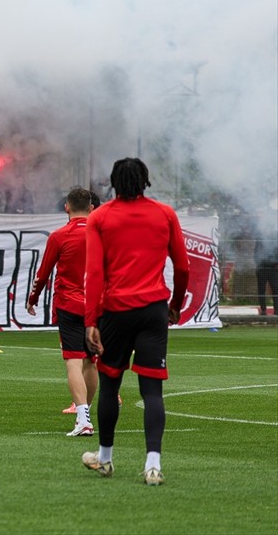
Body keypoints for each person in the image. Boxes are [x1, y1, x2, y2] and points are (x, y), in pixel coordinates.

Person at [82, 157, 190, 486]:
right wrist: (174, 304)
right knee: (152, 390)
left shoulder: (99, 217)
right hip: (153, 310)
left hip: (115, 311)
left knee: (110, 386)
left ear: (114, 182)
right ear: (146, 181)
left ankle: (105, 460)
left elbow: (95, 273)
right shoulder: (165, 214)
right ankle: (153, 465)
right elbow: (182, 266)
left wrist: (91, 320)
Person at [27, 187, 97, 436]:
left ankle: (83, 418)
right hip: (96, 307)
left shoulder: (59, 236)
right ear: (91, 208)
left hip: (69, 305)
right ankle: (85, 414)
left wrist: (32, 299)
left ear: (66, 207)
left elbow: (43, 273)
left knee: (73, 361)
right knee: (91, 362)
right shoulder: (102, 235)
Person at [255, 237, 277, 316]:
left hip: (273, 268)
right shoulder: (260, 239)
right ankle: (263, 309)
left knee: (276, 289)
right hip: (262, 268)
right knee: (261, 290)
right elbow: (256, 253)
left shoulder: (275, 238)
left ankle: (276, 309)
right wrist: (258, 264)